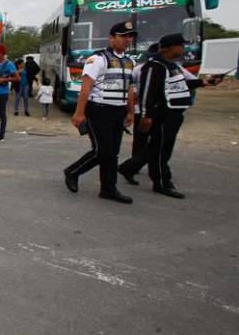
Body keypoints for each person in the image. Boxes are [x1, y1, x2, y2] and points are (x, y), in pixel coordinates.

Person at [135, 34, 223, 198]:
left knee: (162, 148)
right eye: (181, 46)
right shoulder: (155, 67)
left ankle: (131, 169)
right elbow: (147, 93)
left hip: (174, 114)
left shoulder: (172, 66)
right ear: (171, 47)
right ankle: (161, 182)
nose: (183, 49)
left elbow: (182, 84)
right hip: (161, 115)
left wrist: (205, 82)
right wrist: (146, 116)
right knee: (160, 150)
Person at [64, 21, 136, 204]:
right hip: (99, 110)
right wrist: (79, 113)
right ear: (111, 38)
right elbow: (86, 87)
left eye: (129, 36)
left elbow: (129, 89)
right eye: (123, 36)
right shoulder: (98, 59)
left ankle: (108, 189)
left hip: (118, 111)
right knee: (102, 151)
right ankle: (73, 171)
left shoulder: (129, 62)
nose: (127, 40)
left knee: (113, 152)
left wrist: (130, 112)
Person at [117, 43, 161, 185]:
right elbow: (130, 87)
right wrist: (131, 107)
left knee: (156, 143)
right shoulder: (140, 69)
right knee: (145, 142)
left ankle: (134, 166)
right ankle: (133, 167)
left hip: (160, 112)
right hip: (142, 111)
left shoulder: (172, 68)